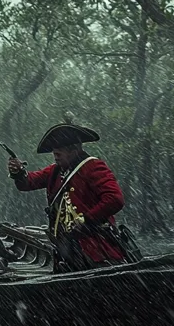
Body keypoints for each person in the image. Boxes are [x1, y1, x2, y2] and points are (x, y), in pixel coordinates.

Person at [7, 117, 126, 272]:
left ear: (74, 149)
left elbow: (115, 199)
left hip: (94, 246)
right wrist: (18, 172)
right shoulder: (55, 171)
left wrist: (86, 219)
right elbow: (28, 183)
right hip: (66, 247)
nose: (55, 157)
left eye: (59, 153)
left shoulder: (93, 167)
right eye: (54, 153)